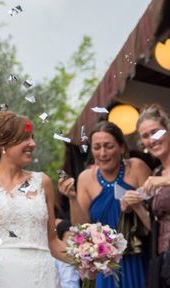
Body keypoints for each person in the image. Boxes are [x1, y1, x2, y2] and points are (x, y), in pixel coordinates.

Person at [0, 111, 69, 287]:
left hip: (44, 277)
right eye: (25, 138)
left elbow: (54, 243)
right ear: (3, 144)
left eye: (32, 138)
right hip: (2, 277)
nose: (33, 144)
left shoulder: (43, 182)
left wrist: (87, 256)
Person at [59, 121, 151, 287]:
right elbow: (81, 227)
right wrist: (72, 198)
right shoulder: (85, 178)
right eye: (97, 147)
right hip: (105, 264)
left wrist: (137, 204)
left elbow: (156, 213)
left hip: (138, 258)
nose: (102, 153)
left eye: (108, 146)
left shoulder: (137, 168)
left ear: (122, 147)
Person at [136, 104, 170, 287]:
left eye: (156, 132)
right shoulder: (157, 172)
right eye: (146, 136)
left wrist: (165, 182)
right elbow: (152, 225)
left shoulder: (160, 179)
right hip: (163, 260)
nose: (152, 140)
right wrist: (136, 206)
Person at [54, 219, 81, 288]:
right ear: (61, 240)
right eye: (69, 239)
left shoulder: (79, 256)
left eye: (73, 239)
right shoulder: (57, 258)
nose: (72, 243)